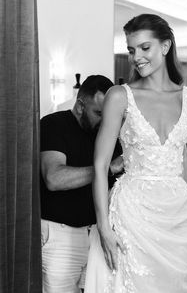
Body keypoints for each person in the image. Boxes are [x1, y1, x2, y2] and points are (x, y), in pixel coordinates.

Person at [84, 14, 187, 293]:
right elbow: (100, 163)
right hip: (131, 214)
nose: (136, 57)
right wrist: (103, 225)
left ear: (165, 47)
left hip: (179, 213)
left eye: (144, 48)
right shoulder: (119, 96)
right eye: (131, 50)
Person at [40, 75, 122, 293]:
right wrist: (106, 169)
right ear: (79, 105)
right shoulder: (53, 124)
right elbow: (54, 178)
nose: (104, 120)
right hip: (60, 238)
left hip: (98, 237)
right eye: (98, 113)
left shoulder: (108, 134)